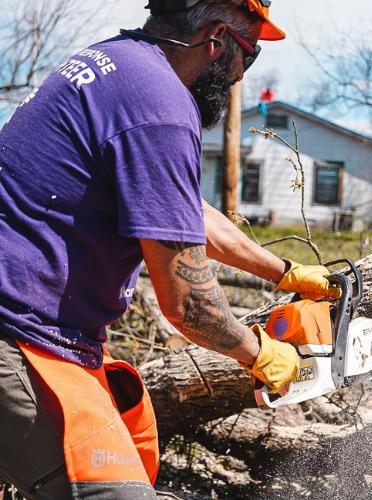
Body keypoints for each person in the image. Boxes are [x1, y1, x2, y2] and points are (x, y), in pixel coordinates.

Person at [0, 1, 340, 498]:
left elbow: (180, 209)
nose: (241, 74)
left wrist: (284, 272)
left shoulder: (120, 66)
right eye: (251, 54)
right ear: (218, 38)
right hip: (17, 338)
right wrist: (262, 354)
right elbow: (188, 305)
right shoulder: (160, 106)